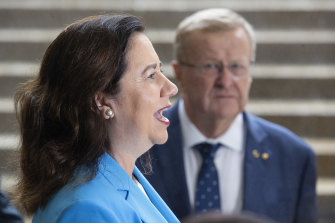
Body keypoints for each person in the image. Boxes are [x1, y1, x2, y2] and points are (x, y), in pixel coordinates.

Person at [140, 8, 317, 223]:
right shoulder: (140, 144)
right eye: (210, 66)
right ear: (179, 73)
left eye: (237, 66)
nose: (225, 81)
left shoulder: (293, 157)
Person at [13, 14, 179, 223]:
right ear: (101, 101)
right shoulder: (86, 210)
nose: (171, 88)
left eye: (160, 71)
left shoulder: (124, 175)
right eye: (151, 75)